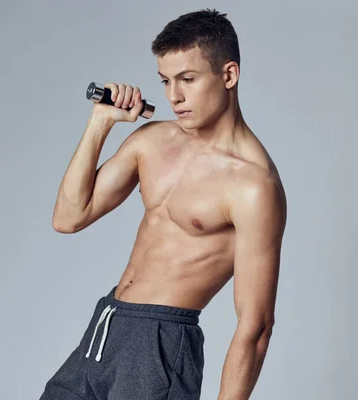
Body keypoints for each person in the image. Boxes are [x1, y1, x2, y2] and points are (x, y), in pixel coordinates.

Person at [40, 8, 287, 400]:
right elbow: (68, 217)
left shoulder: (252, 186)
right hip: (107, 324)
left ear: (228, 75)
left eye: (187, 79)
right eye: (166, 81)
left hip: (160, 344)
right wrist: (100, 123)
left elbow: (255, 326)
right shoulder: (152, 140)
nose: (174, 96)